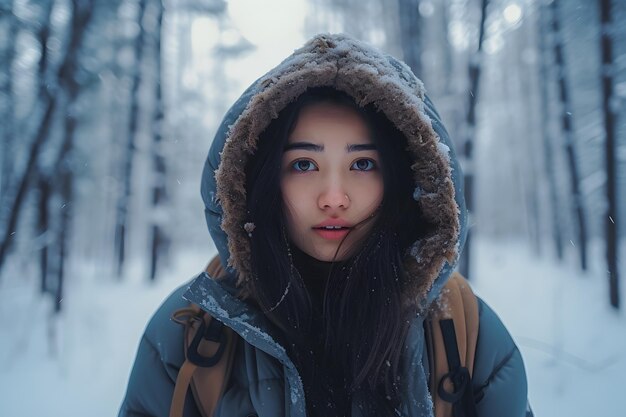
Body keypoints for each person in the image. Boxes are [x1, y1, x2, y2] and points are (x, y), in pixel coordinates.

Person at [118, 33, 531, 417]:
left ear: (402, 178)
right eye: (304, 164)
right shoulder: (188, 332)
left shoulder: (463, 330)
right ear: (260, 181)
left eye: (362, 164)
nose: (334, 196)